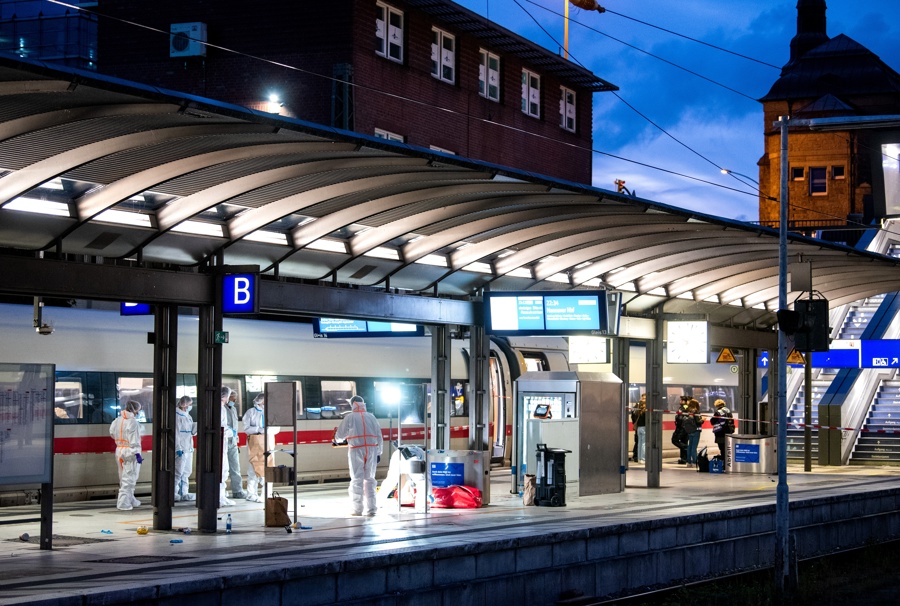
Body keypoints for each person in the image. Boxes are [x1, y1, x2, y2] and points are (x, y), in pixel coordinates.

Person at [334, 395, 383, 516]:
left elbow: (339, 436)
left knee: (357, 479)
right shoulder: (371, 417)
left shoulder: (350, 417)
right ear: (363, 403)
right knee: (370, 479)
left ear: (352, 404)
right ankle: (372, 509)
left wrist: (336, 438)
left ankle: (357, 509)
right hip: (372, 450)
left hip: (356, 450)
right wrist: (379, 452)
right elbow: (379, 436)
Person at [110, 400, 143, 511]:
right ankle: (123, 503)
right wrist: (137, 453)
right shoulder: (133, 422)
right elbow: (135, 440)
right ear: (135, 410)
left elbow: (112, 433)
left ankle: (131, 499)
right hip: (130, 452)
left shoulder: (117, 420)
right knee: (130, 477)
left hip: (119, 450)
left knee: (123, 476)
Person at [242, 393, 268, 502]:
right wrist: (259, 429)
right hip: (254, 442)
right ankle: (251, 494)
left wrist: (267, 431)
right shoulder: (250, 412)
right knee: (253, 468)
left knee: (267, 467)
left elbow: (276, 428)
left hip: (267, 442)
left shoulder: (270, 413)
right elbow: (246, 428)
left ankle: (266, 493)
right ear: (260, 402)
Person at [174, 395, 197, 502]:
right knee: (178, 472)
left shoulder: (188, 416)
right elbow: (176, 434)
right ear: (184, 405)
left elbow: (190, 432)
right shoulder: (177, 416)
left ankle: (184, 492)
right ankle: (174, 493)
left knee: (186, 471)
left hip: (188, 448)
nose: (191, 406)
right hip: (181, 449)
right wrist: (178, 448)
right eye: (190, 404)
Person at [224, 389, 245, 499]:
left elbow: (235, 426)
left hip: (233, 442)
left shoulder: (233, 409)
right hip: (224, 442)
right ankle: (221, 492)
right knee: (223, 468)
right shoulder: (221, 409)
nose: (235, 400)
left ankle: (237, 491)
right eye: (233, 397)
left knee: (235, 467)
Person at [219, 386, 236, 507]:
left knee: (222, 470)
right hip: (221, 442)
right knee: (222, 471)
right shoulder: (221, 409)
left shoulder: (220, 408)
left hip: (221, 442)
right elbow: (221, 427)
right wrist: (231, 432)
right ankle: (220, 497)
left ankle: (221, 496)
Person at [682, 399, 704, 468]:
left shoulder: (687, 411)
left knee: (690, 447)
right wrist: (703, 420)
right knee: (694, 447)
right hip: (696, 430)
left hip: (689, 431)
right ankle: (694, 462)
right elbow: (698, 422)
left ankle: (689, 462)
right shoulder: (696, 411)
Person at [672, 395, 690, 464]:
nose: (680, 401)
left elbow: (681, 417)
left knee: (674, 440)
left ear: (685, 401)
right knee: (683, 441)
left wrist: (677, 418)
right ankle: (684, 458)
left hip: (681, 428)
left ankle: (686, 448)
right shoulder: (684, 407)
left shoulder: (684, 407)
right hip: (685, 428)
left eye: (681, 400)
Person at [630, 393, 646, 462]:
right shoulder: (645, 408)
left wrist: (634, 423)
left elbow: (633, 415)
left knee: (639, 443)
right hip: (644, 427)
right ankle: (642, 458)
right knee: (643, 443)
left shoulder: (637, 406)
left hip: (638, 427)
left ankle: (638, 457)